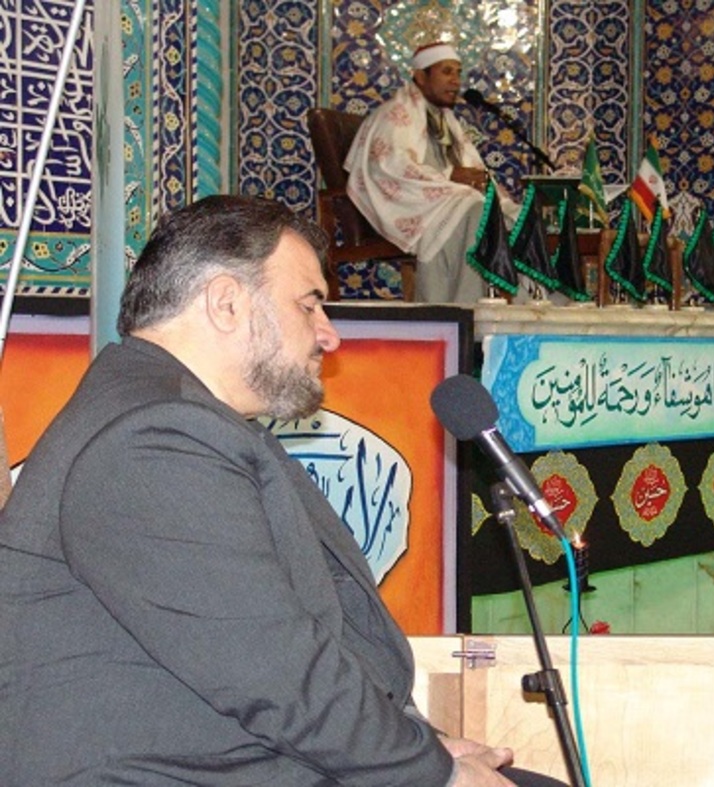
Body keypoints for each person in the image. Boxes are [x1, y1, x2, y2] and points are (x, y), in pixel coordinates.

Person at [0, 195, 564, 786]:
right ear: (226, 303)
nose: (328, 335)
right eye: (309, 304)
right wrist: (436, 774)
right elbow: (277, 673)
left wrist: (427, 747)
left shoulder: (173, 417)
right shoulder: (151, 439)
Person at [346, 41, 508, 304]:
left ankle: (529, 311)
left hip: (442, 199)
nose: (455, 81)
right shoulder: (395, 114)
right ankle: (465, 308)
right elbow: (390, 165)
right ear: (420, 77)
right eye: (446, 72)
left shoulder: (447, 121)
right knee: (474, 208)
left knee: (509, 214)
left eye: (458, 73)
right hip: (407, 203)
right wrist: (449, 176)